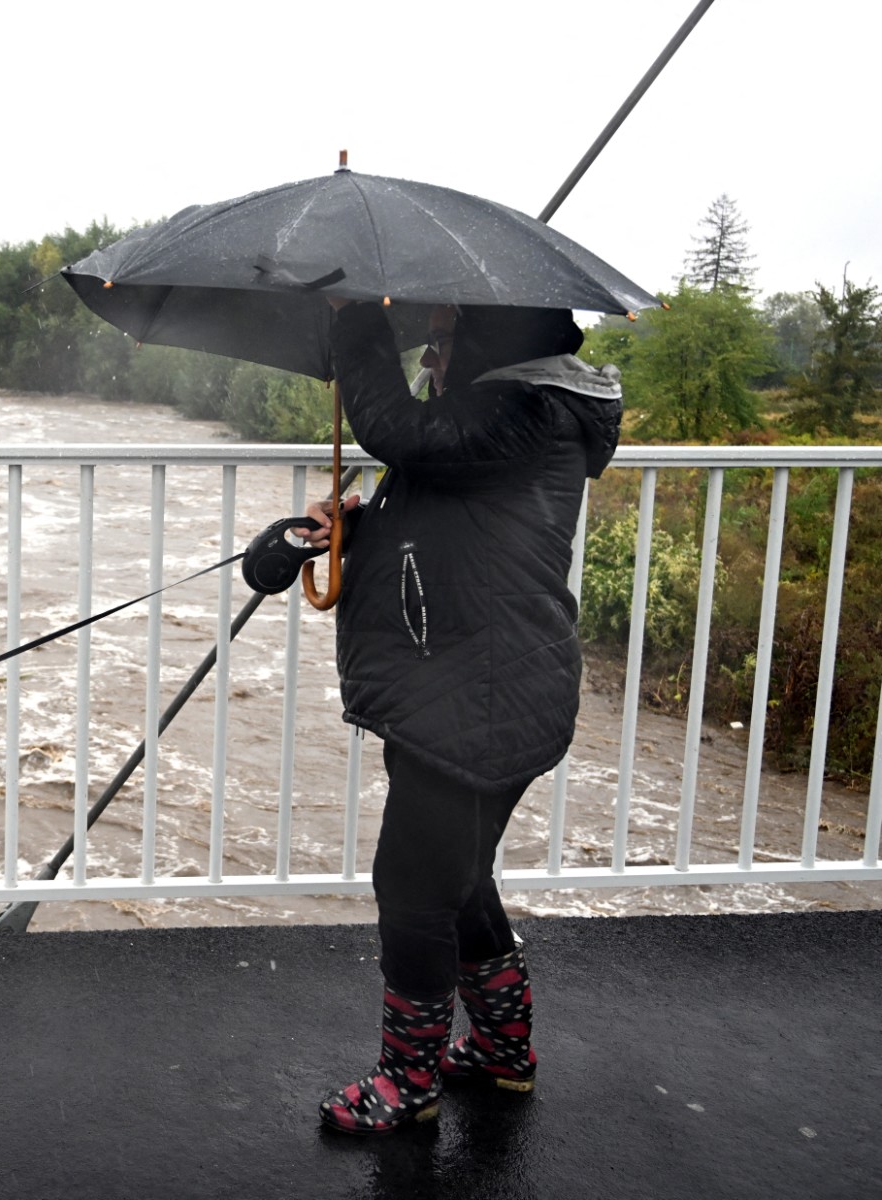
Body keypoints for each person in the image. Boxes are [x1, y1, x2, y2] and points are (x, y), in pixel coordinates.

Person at [301, 297, 623, 1134]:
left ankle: (408, 1082)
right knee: (458, 877)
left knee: (411, 885)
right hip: (461, 684)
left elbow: (398, 432)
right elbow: (448, 522)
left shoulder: (527, 415)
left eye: (442, 342)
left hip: (480, 696)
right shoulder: (499, 420)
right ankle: (503, 1054)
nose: (431, 359)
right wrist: (353, 529)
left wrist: (355, 325)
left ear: (492, 344)